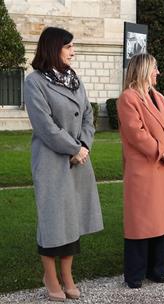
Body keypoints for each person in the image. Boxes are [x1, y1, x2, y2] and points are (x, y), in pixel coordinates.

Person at [24, 27, 103, 301]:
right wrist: (73, 148)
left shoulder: (73, 79)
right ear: (53, 48)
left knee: (73, 221)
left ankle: (68, 275)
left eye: (73, 46)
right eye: (69, 46)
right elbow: (44, 125)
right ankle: (50, 276)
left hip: (78, 161)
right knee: (53, 222)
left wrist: (84, 146)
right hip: (51, 163)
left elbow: (88, 116)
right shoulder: (34, 82)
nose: (74, 51)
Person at [117, 53, 164, 288]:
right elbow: (136, 133)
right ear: (144, 70)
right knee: (141, 222)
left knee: (161, 221)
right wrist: (162, 150)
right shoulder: (128, 98)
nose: (158, 73)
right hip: (144, 169)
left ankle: (157, 270)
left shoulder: (160, 97)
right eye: (155, 68)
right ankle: (135, 274)